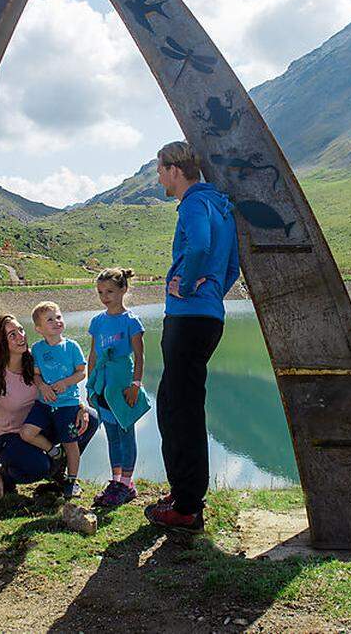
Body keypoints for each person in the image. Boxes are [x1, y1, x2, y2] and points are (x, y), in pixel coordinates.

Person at [145, 141, 240, 533]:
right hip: (208, 317)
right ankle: (186, 493)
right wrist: (212, 290)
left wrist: (184, 284)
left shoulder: (194, 204)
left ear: (174, 169)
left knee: (175, 409)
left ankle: (185, 508)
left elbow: (199, 244)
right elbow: (231, 265)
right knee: (180, 404)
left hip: (186, 317)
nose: (158, 176)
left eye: (159, 169)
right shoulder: (221, 206)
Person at [0, 314, 99, 500]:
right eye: (12, 335)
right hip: (5, 438)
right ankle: (9, 474)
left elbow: (61, 385)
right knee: (39, 467)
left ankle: (60, 469)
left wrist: (80, 406)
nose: (21, 337)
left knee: (91, 418)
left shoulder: (36, 357)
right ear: (2, 343)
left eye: (21, 330)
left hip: (35, 426)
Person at [86, 268, 148, 507]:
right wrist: (90, 387)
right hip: (103, 385)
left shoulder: (131, 321)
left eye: (110, 291)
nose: (105, 296)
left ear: (123, 290)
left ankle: (126, 484)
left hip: (122, 385)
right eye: (101, 292)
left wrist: (136, 385)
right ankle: (115, 481)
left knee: (125, 432)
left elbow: (140, 357)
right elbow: (93, 355)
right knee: (111, 434)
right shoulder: (98, 321)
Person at [20, 301, 89, 499]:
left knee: (71, 443)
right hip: (44, 404)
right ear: (39, 329)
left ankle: (72, 480)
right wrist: (42, 386)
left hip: (67, 404)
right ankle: (54, 453)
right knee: (27, 433)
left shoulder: (72, 346)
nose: (56, 321)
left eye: (58, 317)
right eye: (50, 319)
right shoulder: (37, 349)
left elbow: (81, 373)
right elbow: (36, 375)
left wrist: (66, 382)